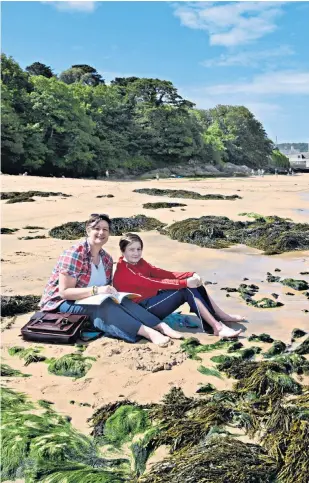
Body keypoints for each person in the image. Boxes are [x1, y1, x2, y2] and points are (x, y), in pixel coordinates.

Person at [39, 214, 184, 346]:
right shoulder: (75, 254)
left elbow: (106, 287)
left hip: (90, 299)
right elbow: (64, 293)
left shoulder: (106, 259)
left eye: (105, 229)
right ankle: (149, 332)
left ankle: (160, 326)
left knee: (121, 301)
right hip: (61, 303)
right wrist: (96, 291)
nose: (101, 233)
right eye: (97, 228)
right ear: (88, 230)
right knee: (105, 305)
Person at [113, 233, 243, 338]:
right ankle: (217, 327)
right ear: (122, 251)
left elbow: (160, 273)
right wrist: (185, 282)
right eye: (131, 249)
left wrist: (190, 275)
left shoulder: (139, 262)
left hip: (151, 299)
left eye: (139, 249)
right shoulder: (124, 270)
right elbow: (152, 282)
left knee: (195, 285)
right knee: (185, 289)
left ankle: (220, 315)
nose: (136, 253)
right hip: (142, 311)